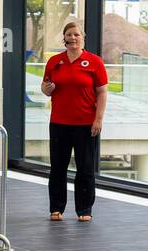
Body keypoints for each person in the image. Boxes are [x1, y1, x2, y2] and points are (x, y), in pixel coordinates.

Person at [41, 21, 108, 222]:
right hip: (59, 123)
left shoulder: (94, 61)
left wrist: (98, 119)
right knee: (58, 168)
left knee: (85, 169)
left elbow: (102, 92)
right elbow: (45, 88)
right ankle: (56, 208)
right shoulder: (55, 61)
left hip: (86, 124)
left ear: (83, 37)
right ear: (65, 38)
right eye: (69, 35)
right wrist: (47, 89)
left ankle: (84, 209)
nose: (73, 38)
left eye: (76, 35)